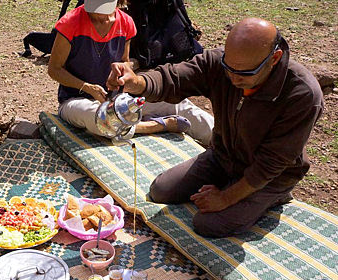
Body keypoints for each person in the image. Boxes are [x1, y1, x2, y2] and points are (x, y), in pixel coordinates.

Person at [106, 18, 324, 237]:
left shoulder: (302, 94)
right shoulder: (218, 64)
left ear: (274, 58)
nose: (233, 78)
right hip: (223, 156)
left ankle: (275, 195)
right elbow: (175, 78)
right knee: (161, 190)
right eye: (229, 68)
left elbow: (270, 164)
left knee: (208, 224)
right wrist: (137, 83)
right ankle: (227, 180)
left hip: (271, 175)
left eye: (244, 73)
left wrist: (226, 197)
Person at [48, 0, 213, 145]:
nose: (95, 14)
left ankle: (225, 143)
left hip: (114, 99)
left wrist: (122, 70)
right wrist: (86, 87)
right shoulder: (70, 23)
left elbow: (125, 60)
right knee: (101, 119)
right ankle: (156, 126)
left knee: (177, 104)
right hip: (76, 100)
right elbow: (54, 69)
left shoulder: (125, 22)